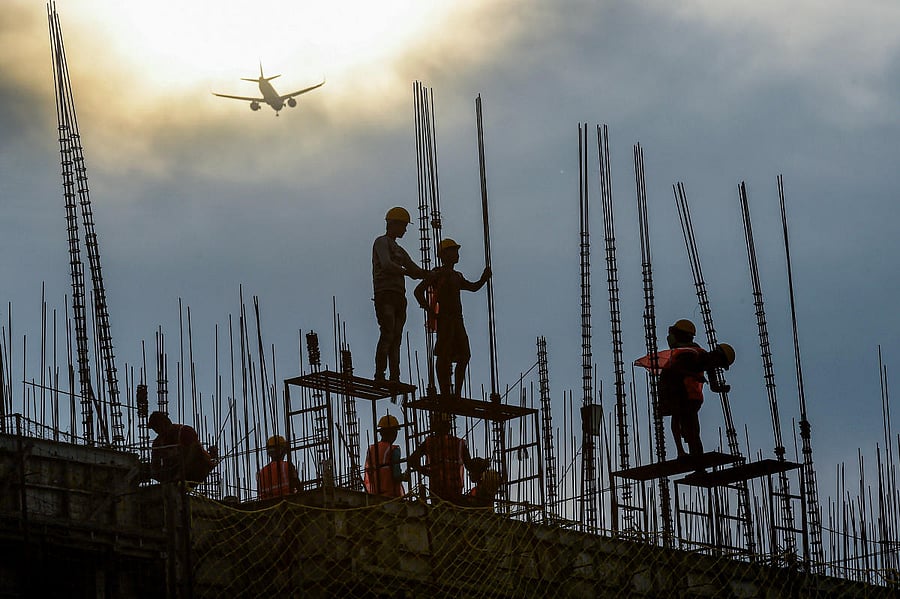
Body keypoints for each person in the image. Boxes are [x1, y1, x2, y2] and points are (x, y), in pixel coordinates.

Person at [413, 238, 491, 398]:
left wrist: (484, 279)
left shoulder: (456, 276)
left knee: (464, 355)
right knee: (444, 355)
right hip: (446, 320)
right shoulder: (437, 274)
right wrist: (429, 310)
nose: (457, 254)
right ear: (444, 255)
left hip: (457, 319)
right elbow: (418, 291)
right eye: (453, 251)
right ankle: (447, 393)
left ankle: (456, 394)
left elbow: (473, 287)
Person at [637, 341, 735, 457]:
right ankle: (680, 451)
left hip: (681, 384)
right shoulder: (694, 355)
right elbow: (675, 368)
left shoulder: (709, 364)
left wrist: (721, 388)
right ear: (717, 356)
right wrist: (694, 375)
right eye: (720, 363)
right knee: (677, 413)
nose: (718, 366)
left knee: (689, 419)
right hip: (669, 381)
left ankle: (692, 450)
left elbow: (713, 386)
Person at [372, 206, 427, 383]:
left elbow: (415, 270)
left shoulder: (400, 250)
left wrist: (430, 274)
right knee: (388, 333)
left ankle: (395, 377)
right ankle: (380, 375)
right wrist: (406, 272)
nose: (404, 230)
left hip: (398, 296)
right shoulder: (381, 242)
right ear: (393, 224)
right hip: (385, 293)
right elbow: (387, 265)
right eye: (403, 226)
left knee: (396, 338)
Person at [408, 417, 472, 505]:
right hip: (454, 491)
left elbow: (412, 460)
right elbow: (470, 466)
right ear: (449, 426)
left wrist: (427, 472)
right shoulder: (458, 443)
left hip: (436, 491)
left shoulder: (429, 442)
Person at [148, 411, 217, 485]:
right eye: (155, 429)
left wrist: (179, 475)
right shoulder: (158, 443)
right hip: (174, 474)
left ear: (165, 423)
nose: (157, 431)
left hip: (195, 471)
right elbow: (155, 465)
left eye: (157, 427)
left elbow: (192, 455)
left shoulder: (185, 431)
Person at [364, 414, 406, 498]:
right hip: (391, 495)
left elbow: (368, 472)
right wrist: (405, 476)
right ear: (393, 433)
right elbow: (396, 475)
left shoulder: (371, 449)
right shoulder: (394, 449)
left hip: (374, 494)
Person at [258, 435, 302, 500]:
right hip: (287, 502)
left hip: (267, 506)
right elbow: (298, 487)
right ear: (282, 451)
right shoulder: (287, 466)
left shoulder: (261, 472)